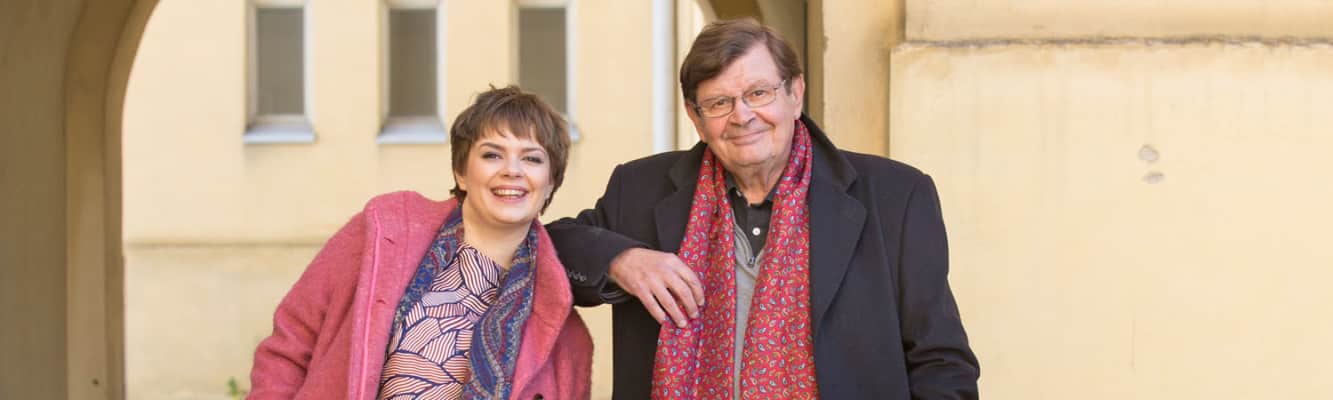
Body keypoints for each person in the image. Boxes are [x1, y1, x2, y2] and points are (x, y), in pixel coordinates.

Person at [547, 18, 979, 399]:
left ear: (796, 93)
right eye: (719, 102)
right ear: (695, 118)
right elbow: (546, 249)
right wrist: (620, 260)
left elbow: (942, 364)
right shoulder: (640, 189)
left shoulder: (896, 197)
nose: (742, 116)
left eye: (758, 93)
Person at [248, 86, 591, 400]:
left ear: (550, 182)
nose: (512, 170)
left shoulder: (564, 338)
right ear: (461, 172)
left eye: (531, 158)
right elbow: (289, 347)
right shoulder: (384, 232)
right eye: (492, 155)